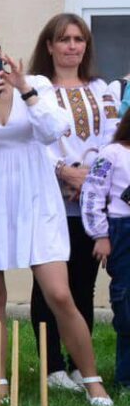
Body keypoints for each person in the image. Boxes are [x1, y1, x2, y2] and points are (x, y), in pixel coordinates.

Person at [0, 28, 113, 406]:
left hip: (36, 197)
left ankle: (92, 380)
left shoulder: (34, 84)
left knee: (59, 293)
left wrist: (24, 89)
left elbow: (54, 129)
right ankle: (0, 382)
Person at [29, 14, 122, 391]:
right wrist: (64, 171)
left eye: (78, 39)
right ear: (49, 46)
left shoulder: (103, 89)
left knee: (84, 284)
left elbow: (115, 139)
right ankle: (52, 367)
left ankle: (78, 364)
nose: (72, 46)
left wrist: (93, 178)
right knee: (50, 286)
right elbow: (33, 141)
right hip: (51, 196)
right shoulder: (39, 89)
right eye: (64, 39)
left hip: (93, 201)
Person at [83, 118, 130, 385]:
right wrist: (100, 234)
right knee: (126, 300)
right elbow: (92, 191)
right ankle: (126, 378)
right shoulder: (113, 153)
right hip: (123, 230)